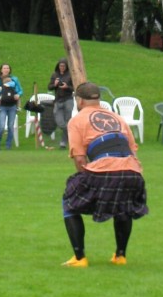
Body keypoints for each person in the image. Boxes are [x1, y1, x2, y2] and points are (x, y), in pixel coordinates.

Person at [61, 81, 148, 268]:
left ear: (80, 100)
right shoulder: (118, 118)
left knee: (69, 202)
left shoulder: (76, 120)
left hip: (105, 167)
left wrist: (90, 181)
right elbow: (133, 149)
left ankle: (79, 258)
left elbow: (79, 159)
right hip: (133, 171)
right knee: (123, 207)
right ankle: (120, 256)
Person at [0, 63, 23, 150]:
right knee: (2, 126)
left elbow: (20, 90)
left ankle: (8, 144)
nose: (6, 70)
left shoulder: (14, 79)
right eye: (4, 68)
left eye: (7, 68)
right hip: (2, 106)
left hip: (12, 106)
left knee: (11, 126)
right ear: (1, 70)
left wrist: (18, 95)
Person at [48, 57, 74, 148]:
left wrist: (67, 87)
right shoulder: (55, 75)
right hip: (58, 100)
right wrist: (54, 84)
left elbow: (75, 88)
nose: (62, 67)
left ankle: (63, 143)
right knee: (60, 121)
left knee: (68, 120)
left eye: (63, 66)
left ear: (66, 66)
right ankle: (72, 134)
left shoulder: (70, 75)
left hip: (68, 100)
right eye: (60, 66)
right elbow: (49, 87)